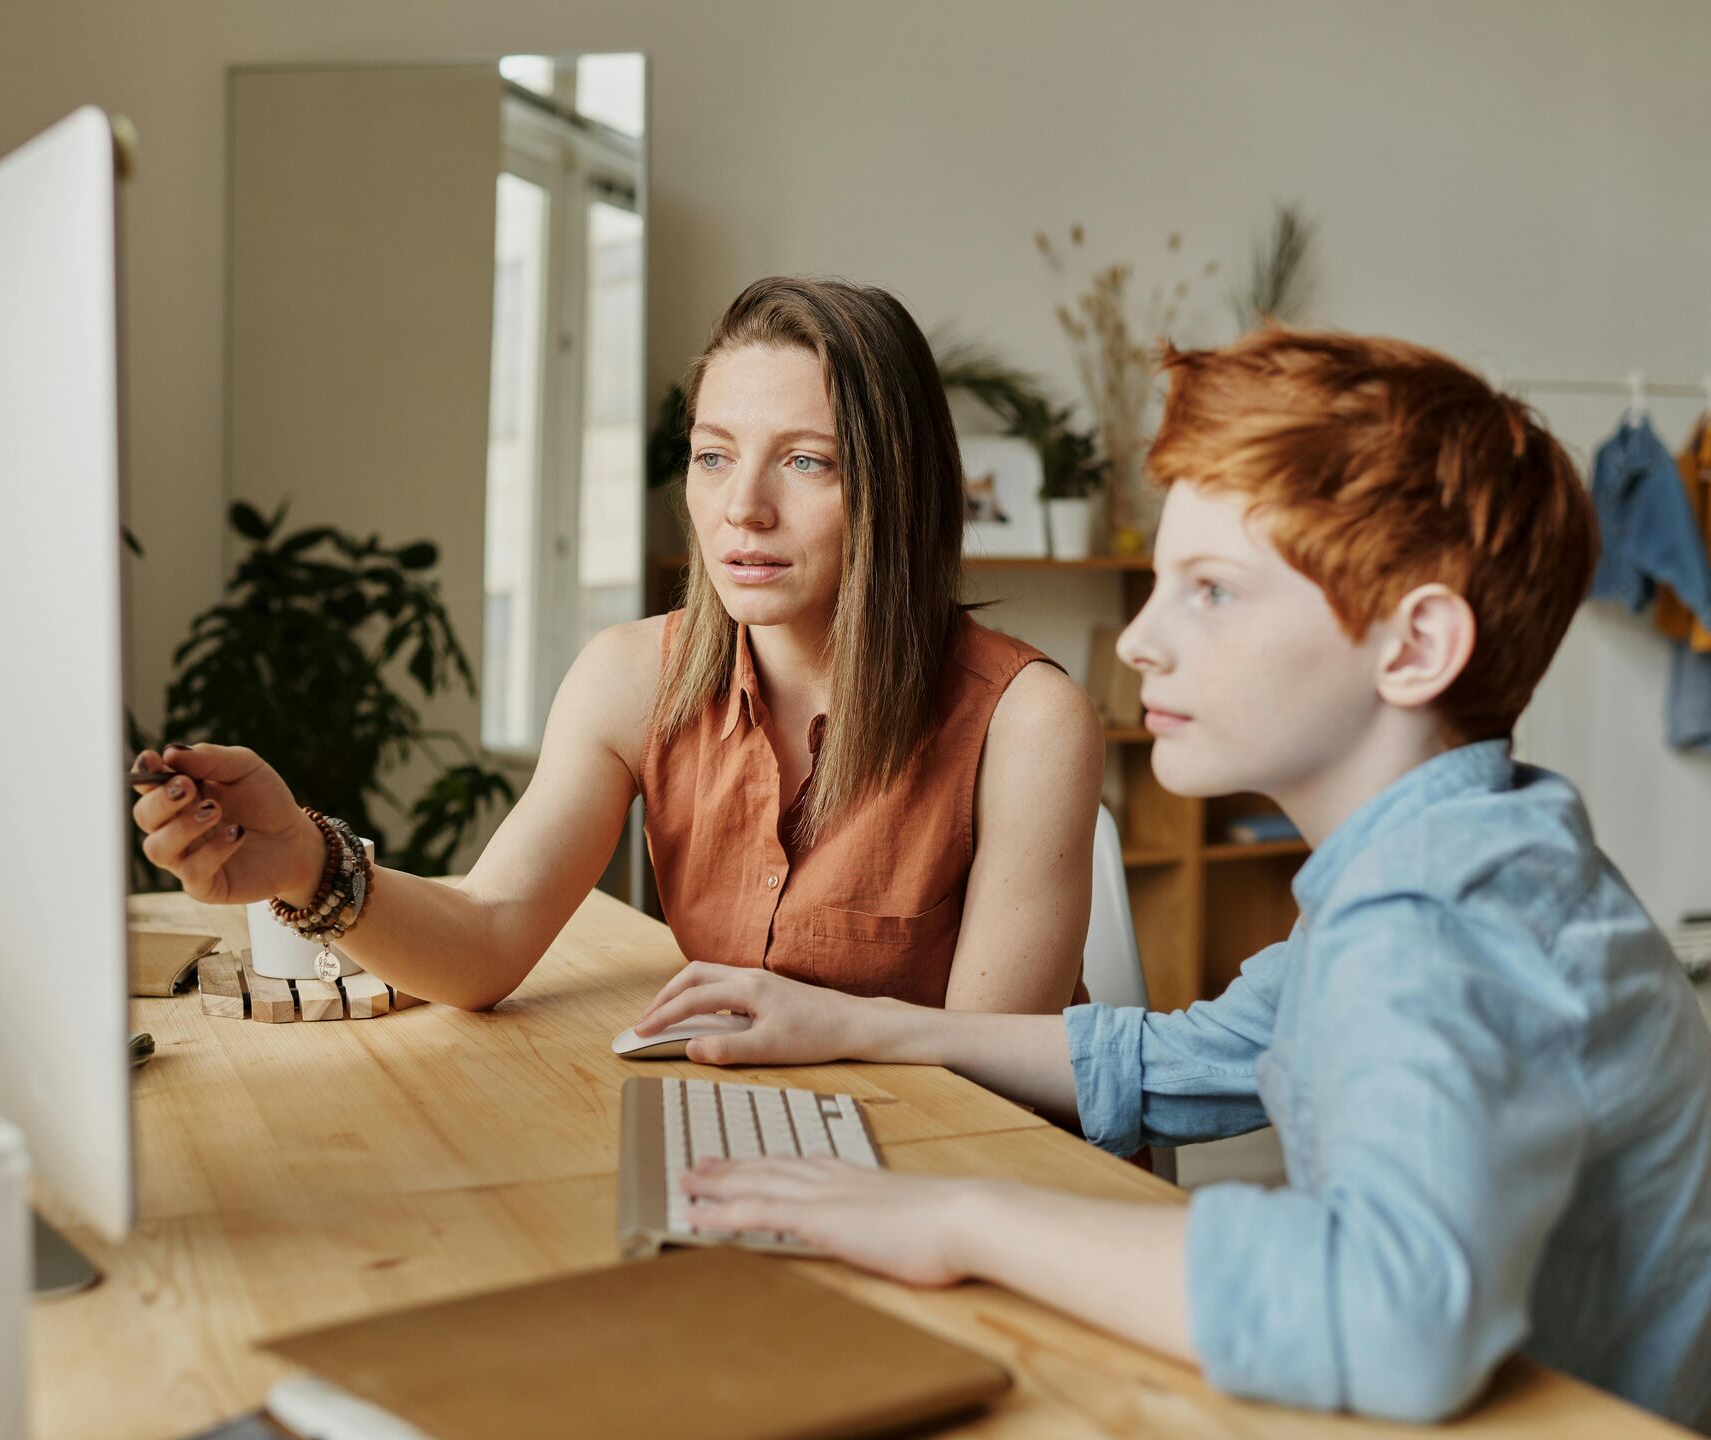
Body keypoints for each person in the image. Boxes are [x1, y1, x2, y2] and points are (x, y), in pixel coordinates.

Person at [634, 329, 1711, 1430]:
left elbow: (1390, 1317)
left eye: (1213, 593)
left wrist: (958, 1219)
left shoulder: (1437, 916)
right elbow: (1184, 1058)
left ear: (1415, 646)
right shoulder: (1461, 853)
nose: (1139, 642)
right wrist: (859, 1024)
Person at [131, 276, 1102, 1015]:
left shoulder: (1027, 723)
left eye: (807, 461)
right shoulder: (633, 677)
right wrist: (307, 862)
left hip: (964, 1172)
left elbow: (992, 1078)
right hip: (766, 1139)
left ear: (900, 489)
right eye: (714, 455)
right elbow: (487, 938)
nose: (742, 507)